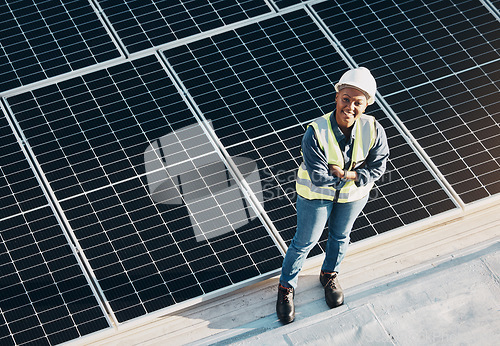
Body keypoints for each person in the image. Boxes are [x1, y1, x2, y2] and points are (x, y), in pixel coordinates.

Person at [276, 67, 389, 323]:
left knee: (340, 236)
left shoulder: (373, 129)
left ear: (366, 105)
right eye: (346, 99)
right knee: (304, 242)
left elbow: (379, 166)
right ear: (337, 97)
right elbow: (318, 176)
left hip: (353, 196)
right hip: (315, 195)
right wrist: (357, 174)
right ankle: (286, 287)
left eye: (358, 102)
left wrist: (347, 175)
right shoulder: (315, 132)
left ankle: (329, 274)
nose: (350, 106)